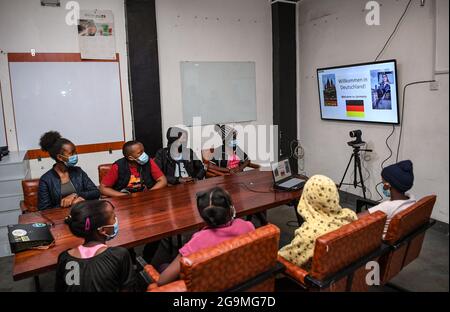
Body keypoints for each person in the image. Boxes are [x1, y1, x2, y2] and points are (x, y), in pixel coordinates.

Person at [152, 187, 255, 286]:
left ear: (203, 216)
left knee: (162, 266)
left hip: (208, 285)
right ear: (231, 209)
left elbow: (162, 281)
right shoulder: (247, 226)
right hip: (240, 280)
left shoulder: (197, 242)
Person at [55, 200, 137, 292]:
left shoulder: (65, 258)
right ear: (103, 230)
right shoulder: (119, 255)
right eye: (114, 217)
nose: (116, 221)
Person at [278, 175, 357, 269]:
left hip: (307, 280)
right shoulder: (350, 216)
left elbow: (282, 261)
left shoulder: (309, 235)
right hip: (341, 272)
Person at [38, 131, 100, 210]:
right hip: (60, 218)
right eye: (72, 153)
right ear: (60, 157)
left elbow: (95, 192)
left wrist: (75, 195)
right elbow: (44, 210)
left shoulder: (78, 172)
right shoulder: (46, 180)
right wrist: (67, 204)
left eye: (75, 152)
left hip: (82, 213)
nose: (75, 155)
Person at [360, 160, 416, 237]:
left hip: (378, 243)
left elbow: (354, 219)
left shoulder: (386, 207)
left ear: (387, 185)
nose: (382, 184)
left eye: (382, 182)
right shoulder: (412, 200)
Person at [99, 140, 167, 197]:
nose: (144, 155)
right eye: (140, 153)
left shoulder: (148, 161)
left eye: (143, 151)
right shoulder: (118, 166)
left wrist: (149, 193)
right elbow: (103, 188)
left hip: (146, 198)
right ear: (131, 158)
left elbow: (163, 181)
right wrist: (124, 196)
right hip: (125, 201)